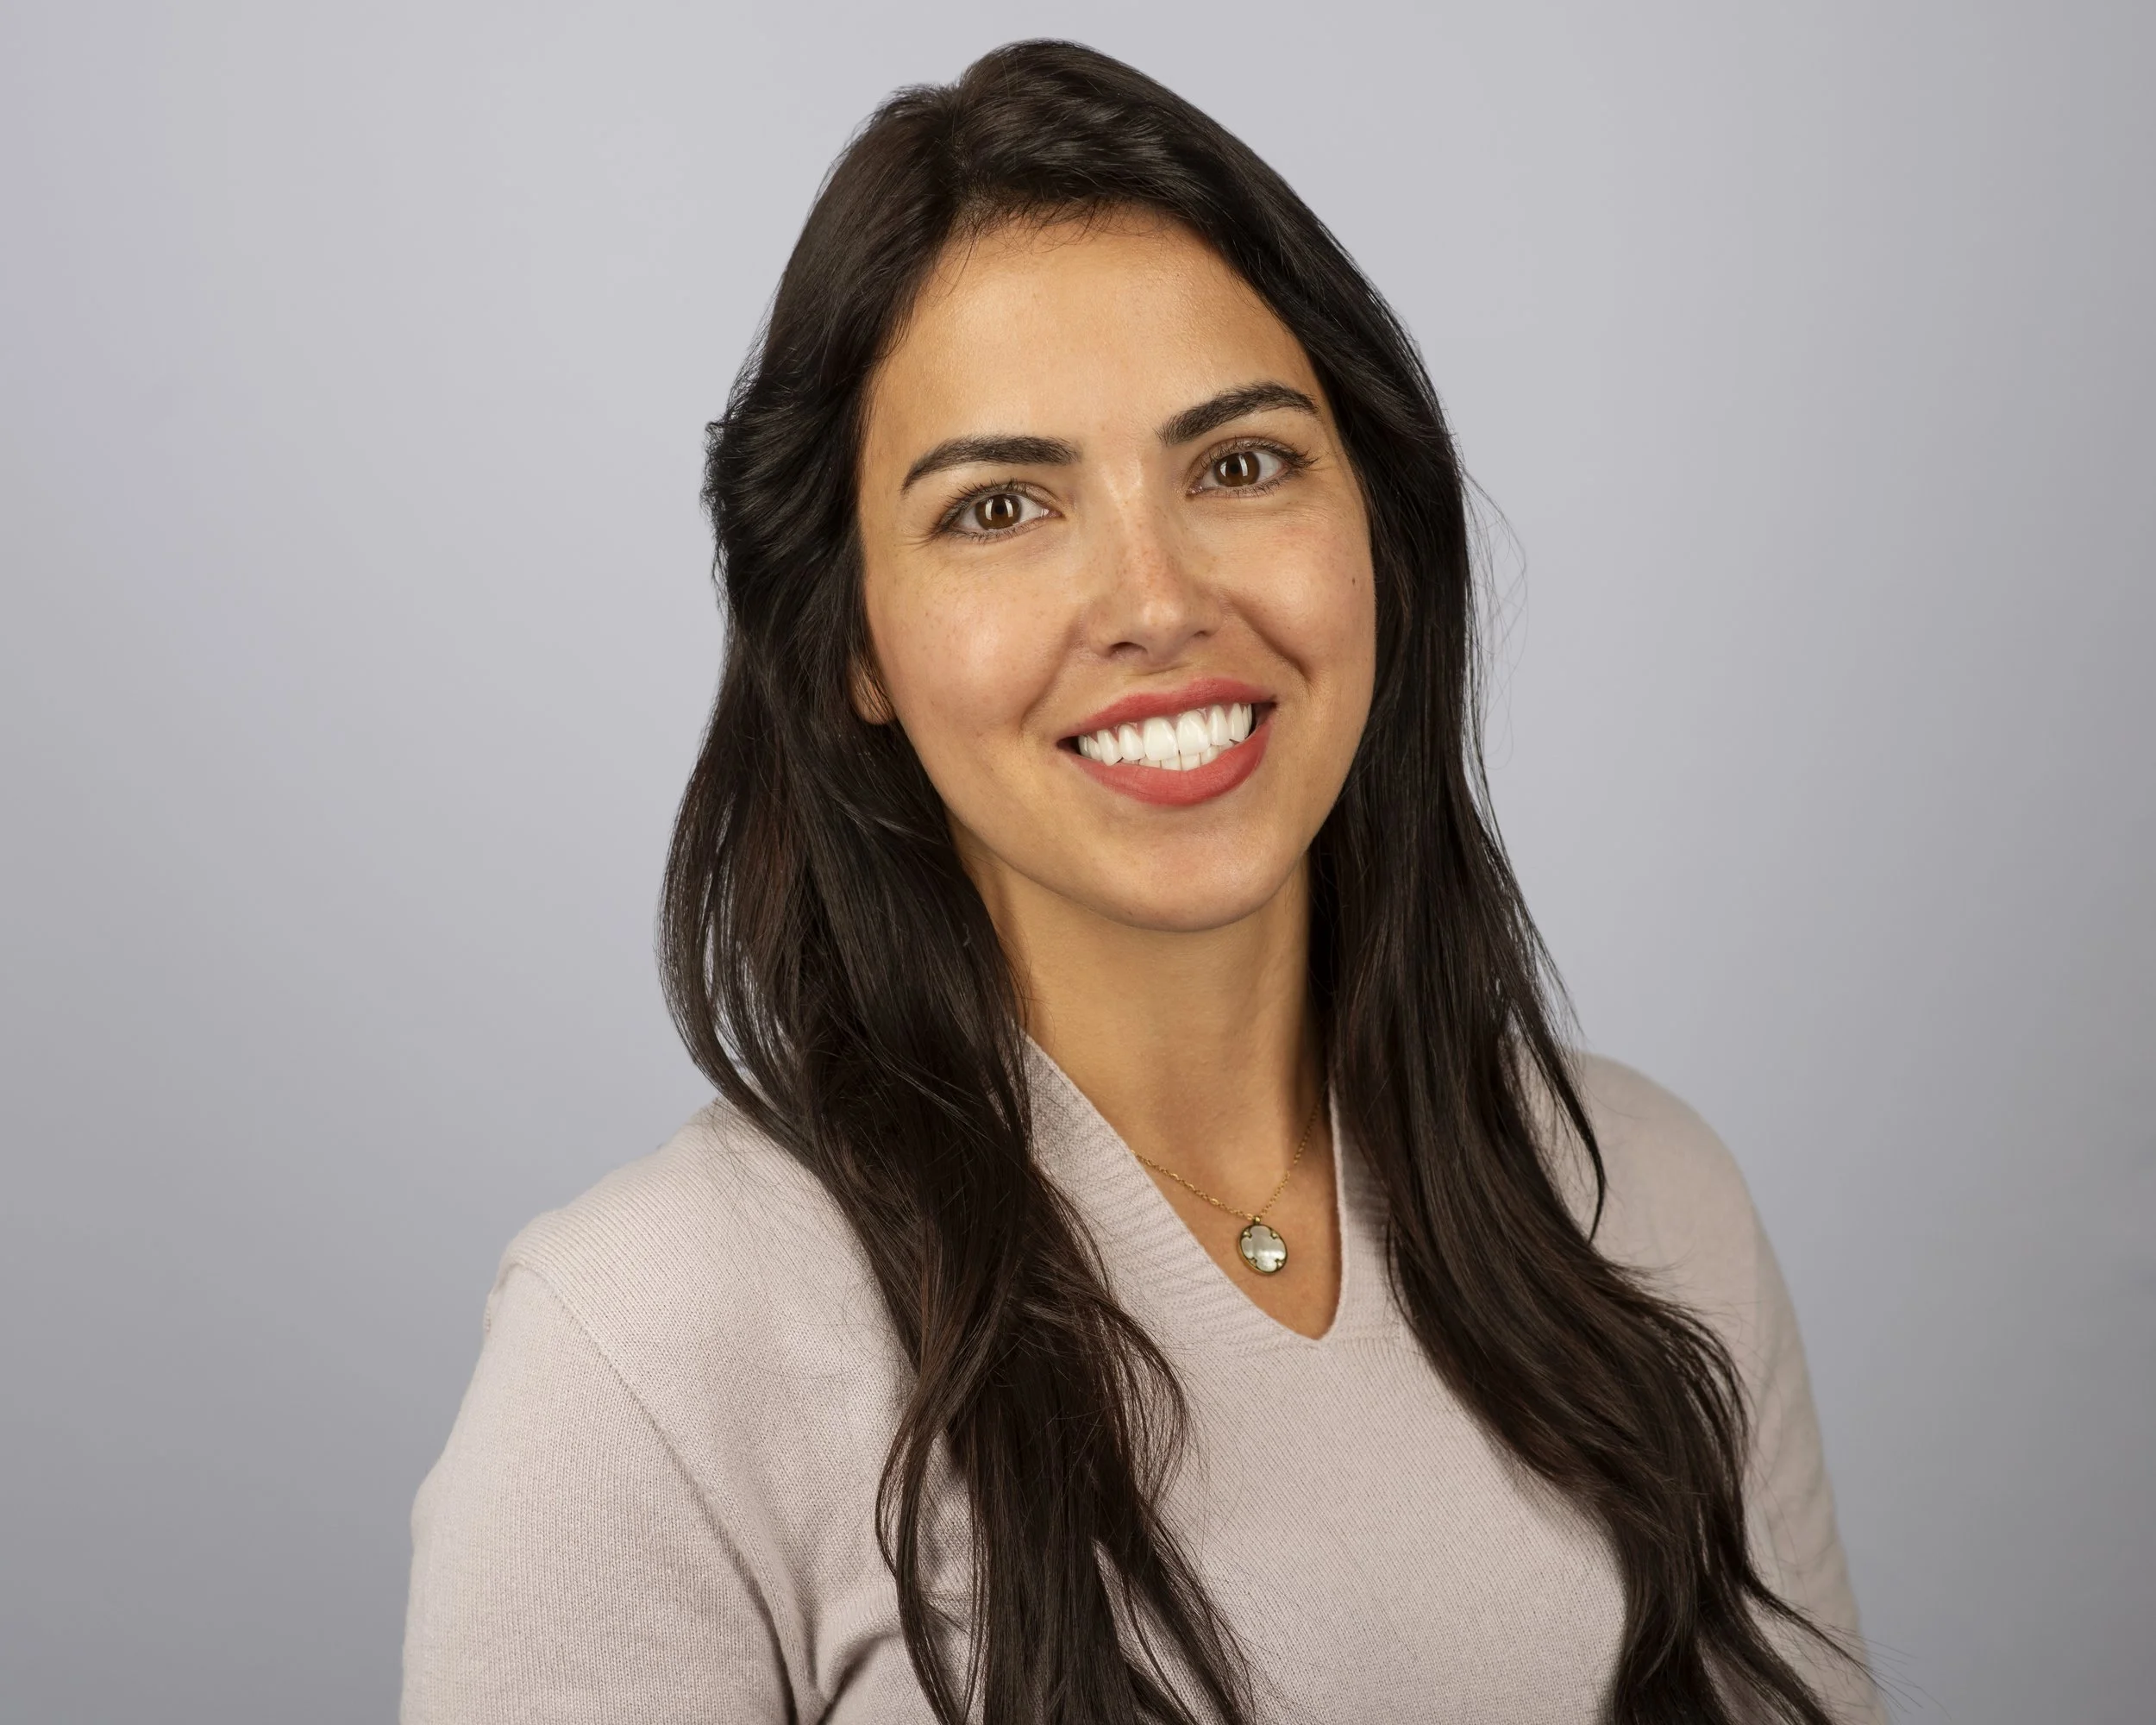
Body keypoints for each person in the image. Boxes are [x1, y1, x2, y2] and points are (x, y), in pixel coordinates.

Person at [401, 40, 1883, 1725]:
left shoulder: (1651, 1202)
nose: (1154, 596)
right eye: (1000, 506)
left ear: (1375, 531)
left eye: (1237, 465)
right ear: (850, 650)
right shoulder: (644, 1349)